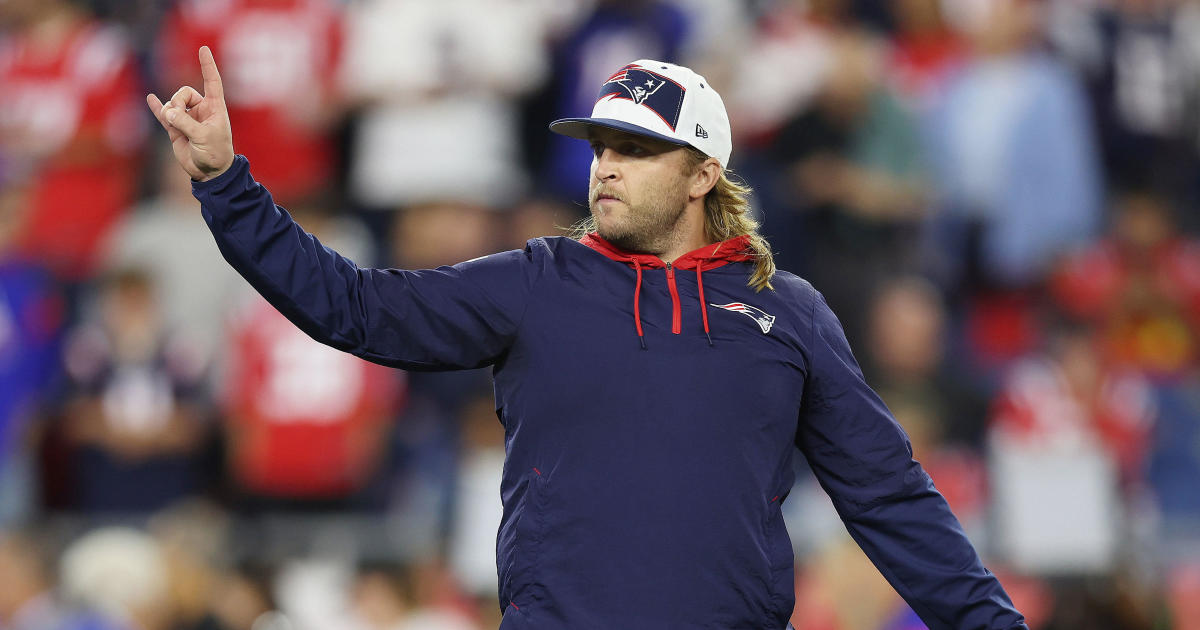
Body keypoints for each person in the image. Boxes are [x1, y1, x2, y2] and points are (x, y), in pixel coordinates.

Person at [147, 47, 1028, 629]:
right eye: (602, 146)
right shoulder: (536, 283)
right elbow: (353, 307)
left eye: (636, 150)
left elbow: (889, 495)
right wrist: (227, 183)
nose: (605, 166)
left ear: (703, 175)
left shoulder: (787, 312)